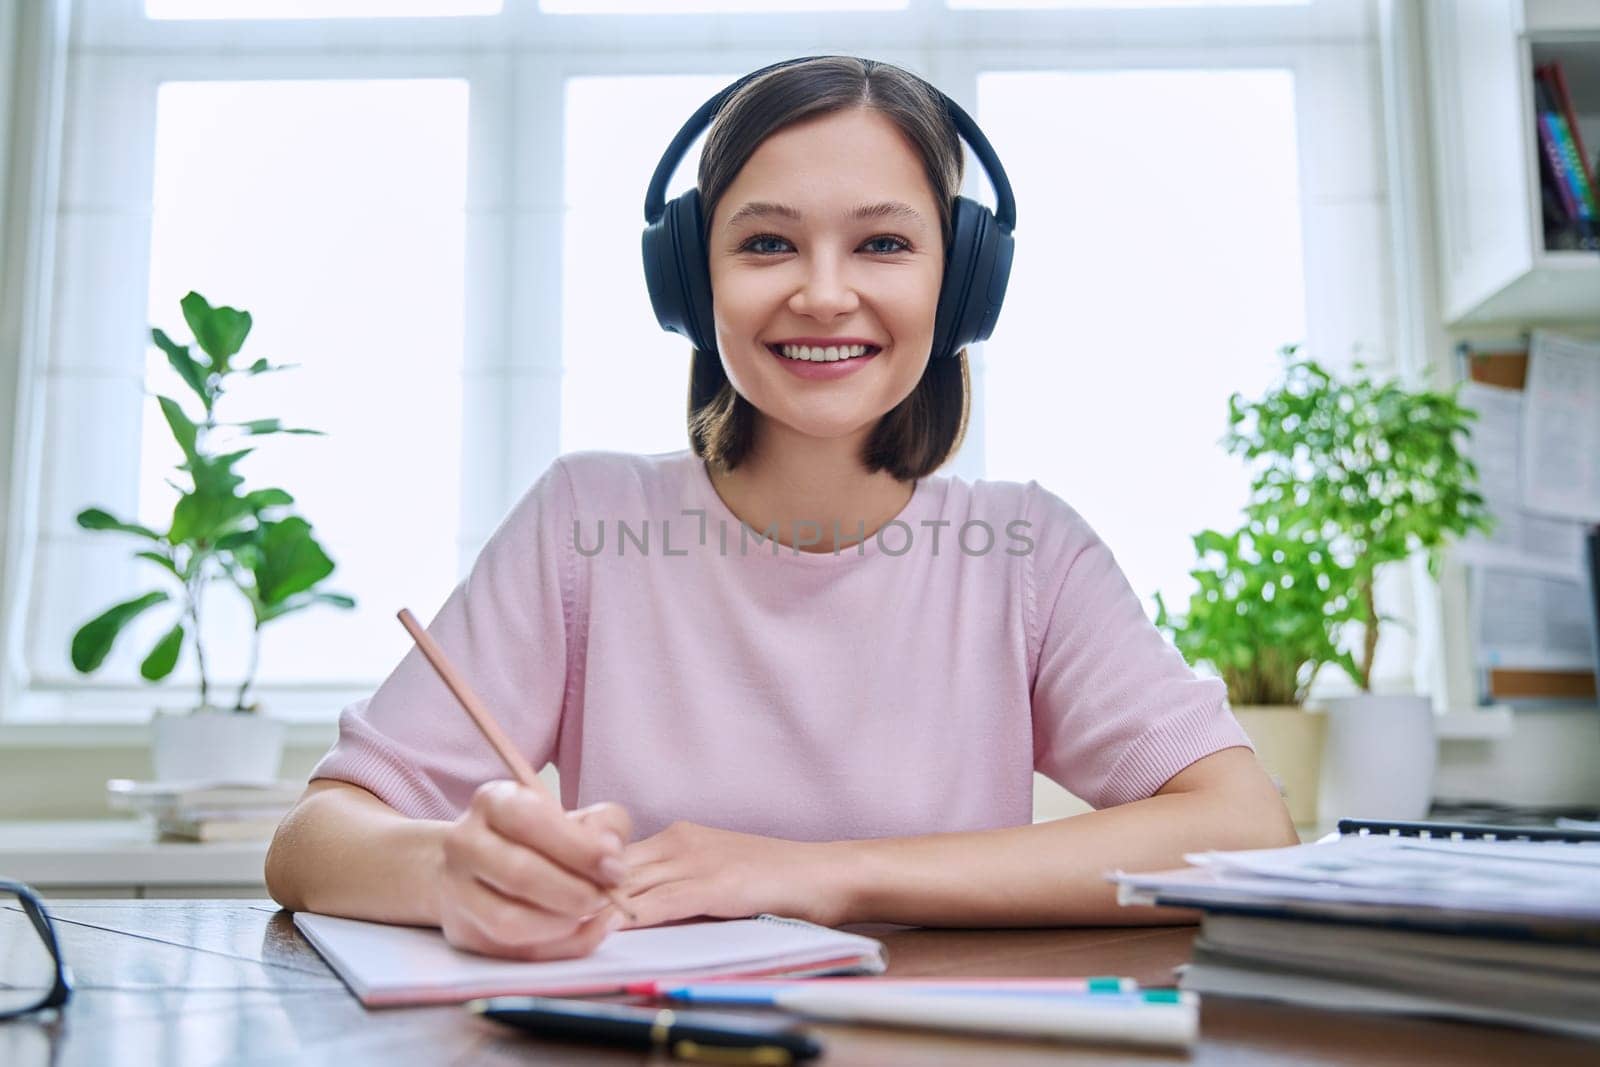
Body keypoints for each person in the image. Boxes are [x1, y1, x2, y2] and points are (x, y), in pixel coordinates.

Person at [266, 55, 1297, 962]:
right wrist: (451, 867)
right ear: (690, 275)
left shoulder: (1025, 550)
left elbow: (1245, 831)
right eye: (765, 244)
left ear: (962, 280)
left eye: (883, 245)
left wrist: (812, 873)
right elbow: (313, 841)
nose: (822, 293)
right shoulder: (586, 518)